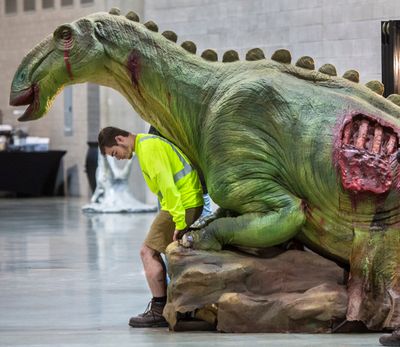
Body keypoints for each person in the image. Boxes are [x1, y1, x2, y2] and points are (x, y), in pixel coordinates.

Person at [98, 126, 204, 328]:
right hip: (185, 203)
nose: (117, 158)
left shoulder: (148, 148)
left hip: (182, 204)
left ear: (120, 139)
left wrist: (180, 223)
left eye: (114, 153)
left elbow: (168, 187)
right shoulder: (147, 144)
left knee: (147, 252)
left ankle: (158, 310)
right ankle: (177, 307)